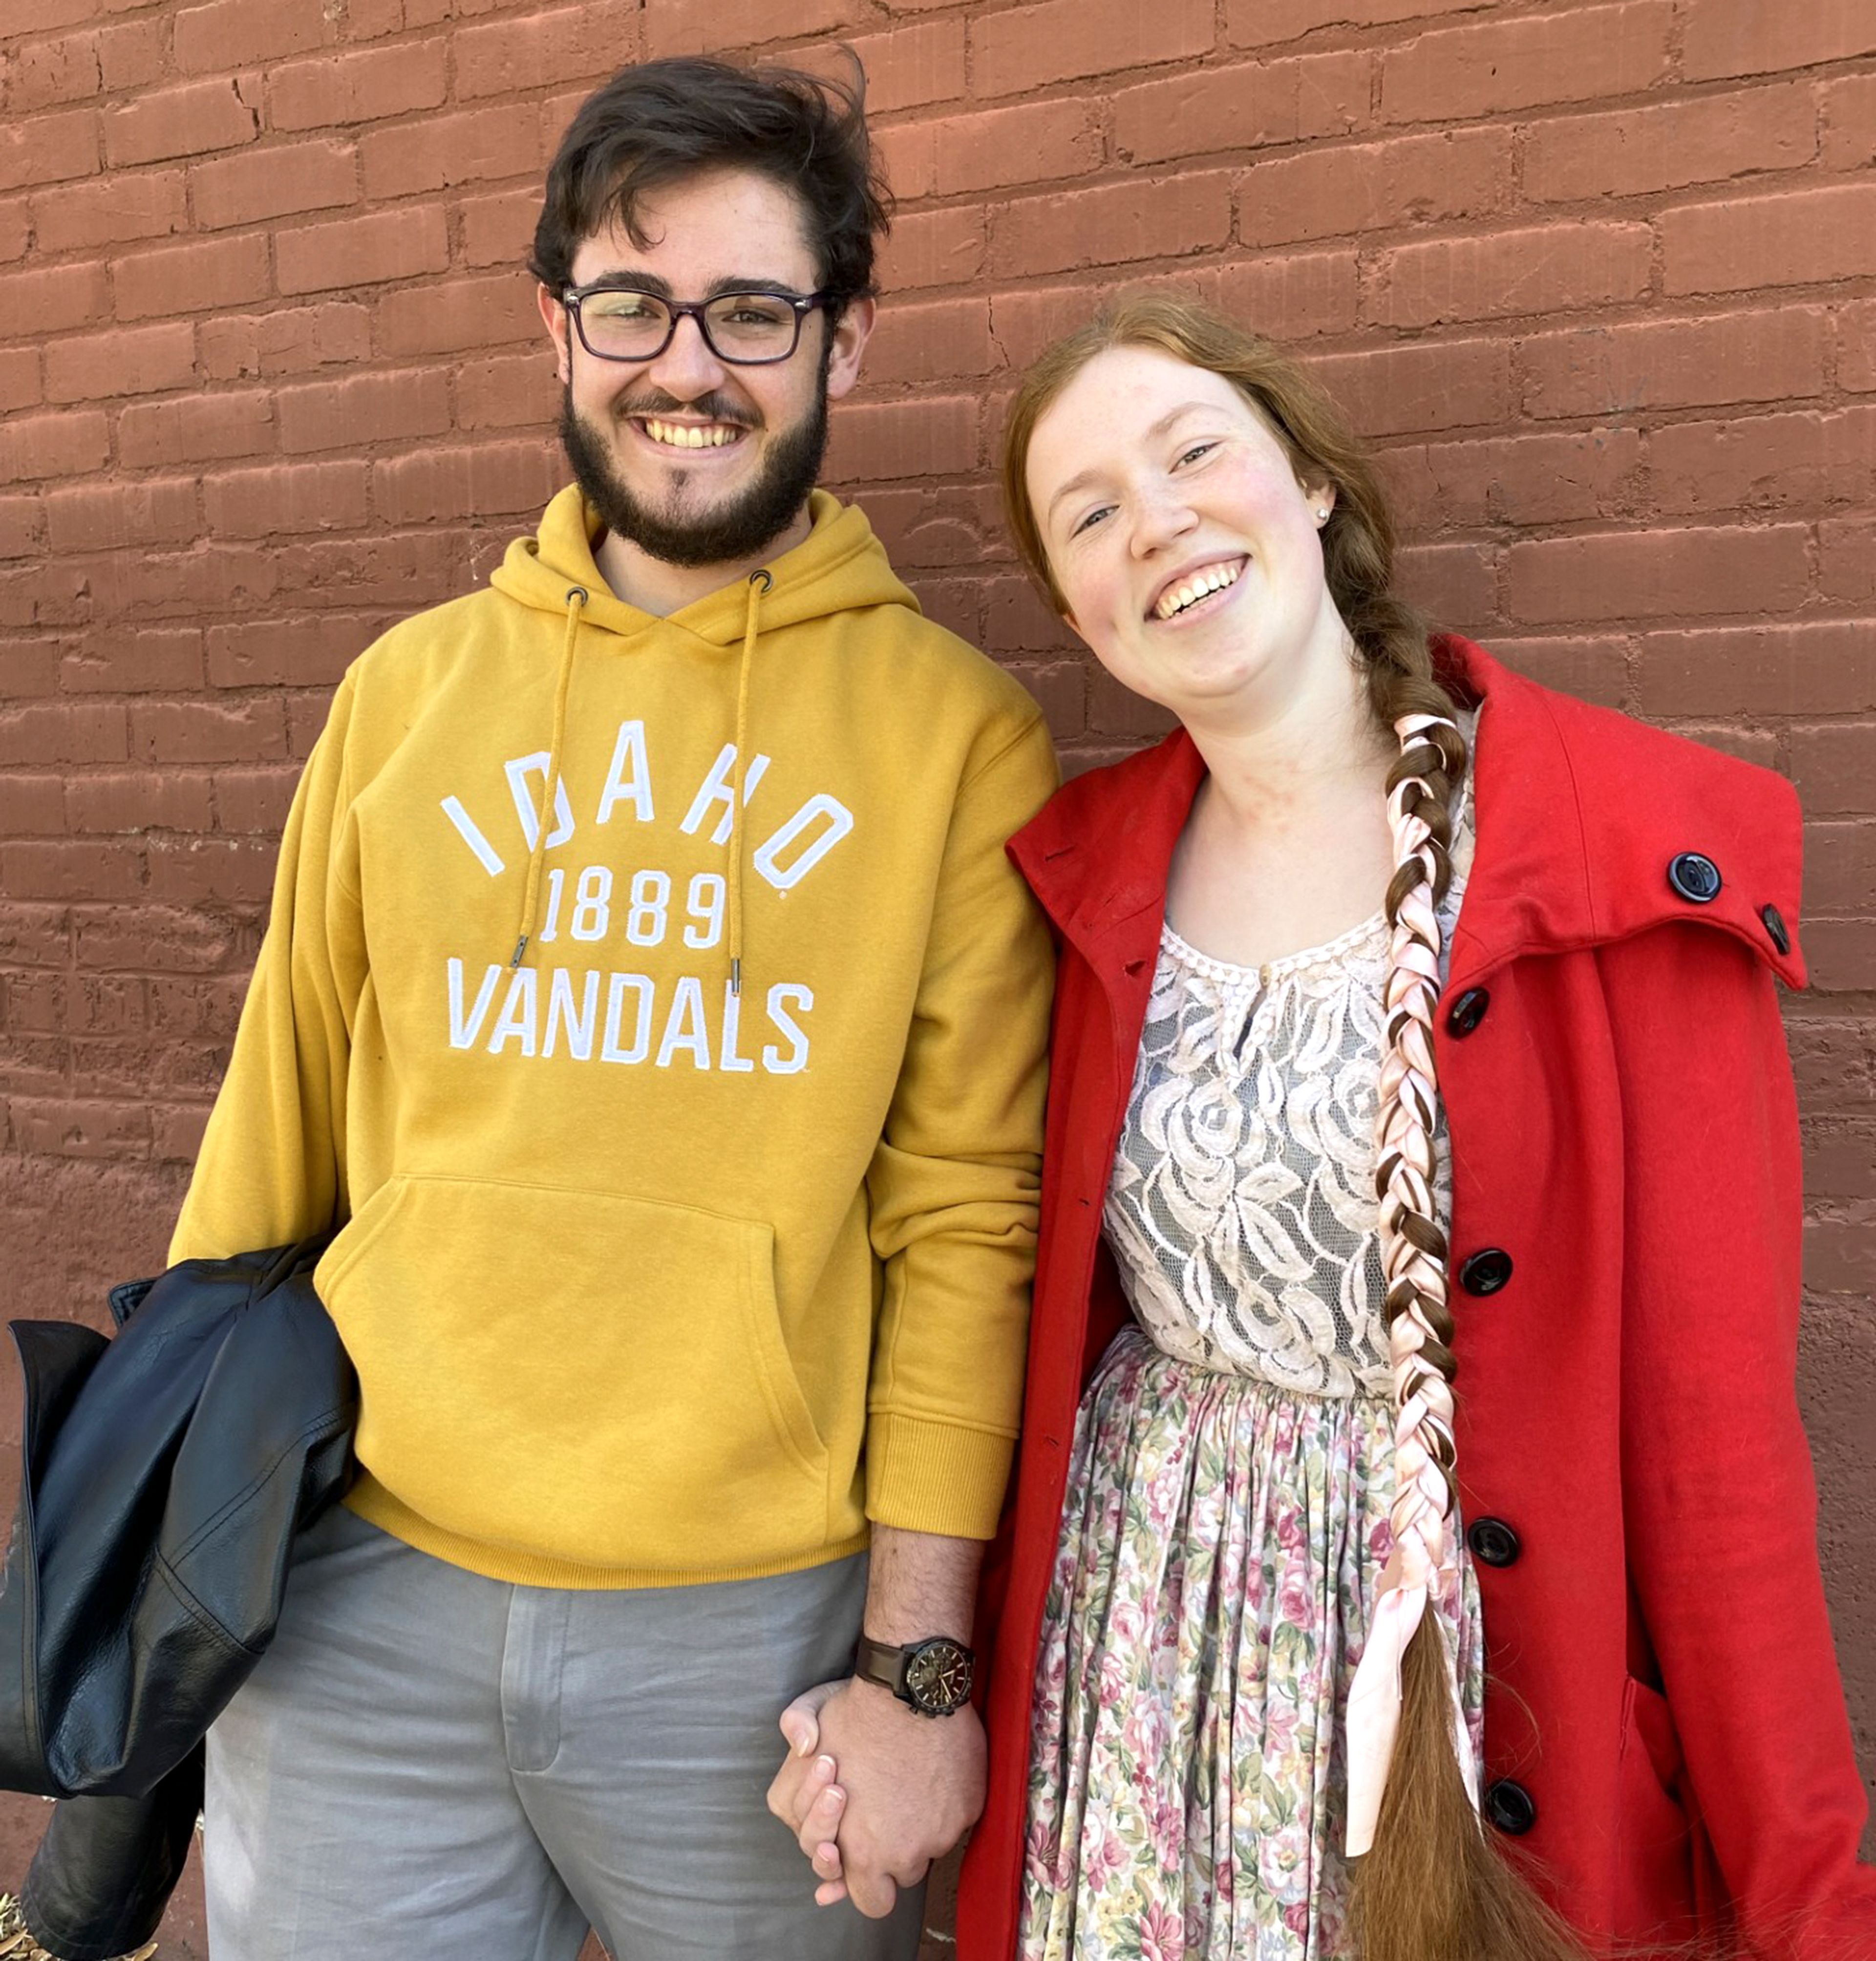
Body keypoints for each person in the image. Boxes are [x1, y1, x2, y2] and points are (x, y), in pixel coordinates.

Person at [776, 296, 1876, 1960]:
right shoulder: (1076, 891)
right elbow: (992, 1298)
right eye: (1089, 515)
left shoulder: (1616, 867)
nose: (1156, 524)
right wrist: (914, 1696)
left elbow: (1718, 1464)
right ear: (1078, 610)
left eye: (1194, 452)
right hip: (1140, 1685)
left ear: (1311, 487)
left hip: (1451, 1712)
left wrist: (1813, 1906)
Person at [168, 53, 1057, 1961]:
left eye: (754, 309)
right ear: (556, 326)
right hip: (355, 1599)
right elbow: (274, 1122)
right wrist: (177, 1531)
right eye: (632, 303)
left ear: (848, 338)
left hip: (756, 1643)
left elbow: (968, 1219)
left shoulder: (959, 739)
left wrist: (917, 1675)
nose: (689, 364)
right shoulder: (403, 696)